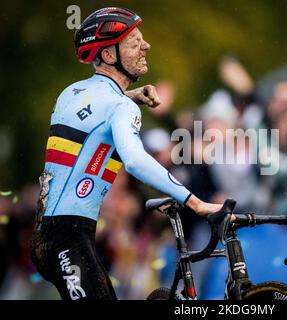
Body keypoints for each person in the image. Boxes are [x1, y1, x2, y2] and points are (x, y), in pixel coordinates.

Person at [29, 7, 226, 300]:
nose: (146, 46)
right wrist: (194, 202)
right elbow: (134, 160)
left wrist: (130, 96)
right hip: (68, 239)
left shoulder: (71, 92)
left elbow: (94, 111)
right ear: (109, 55)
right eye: (134, 42)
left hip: (49, 236)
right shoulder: (120, 107)